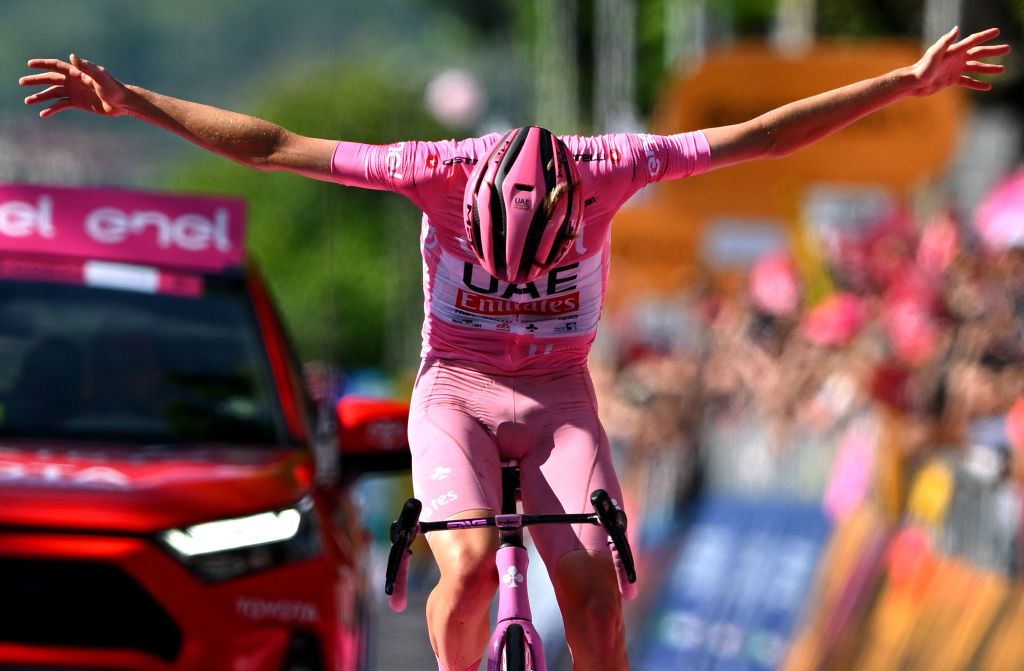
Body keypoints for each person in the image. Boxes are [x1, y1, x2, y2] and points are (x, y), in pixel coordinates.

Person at [19, 26, 1009, 671]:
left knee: (590, 594)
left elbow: (761, 137)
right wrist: (135, 101)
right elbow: (274, 146)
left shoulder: (613, 167)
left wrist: (900, 82)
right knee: (476, 569)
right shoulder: (432, 169)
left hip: (559, 394)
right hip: (455, 390)